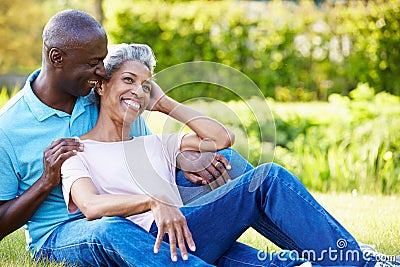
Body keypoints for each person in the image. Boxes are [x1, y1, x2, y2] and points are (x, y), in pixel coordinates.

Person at [60, 43, 399, 267]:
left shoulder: (154, 144)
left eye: (146, 85)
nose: (137, 90)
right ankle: (356, 260)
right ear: (102, 85)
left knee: (267, 180)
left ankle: (353, 260)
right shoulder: (76, 150)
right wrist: (152, 202)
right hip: (143, 244)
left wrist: (164, 103)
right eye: (128, 80)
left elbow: (221, 137)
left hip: (192, 235)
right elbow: (91, 206)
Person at [0, 9, 265, 267]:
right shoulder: (9, 128)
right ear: (57, 58)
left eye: (102, 61)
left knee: (225, 161)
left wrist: (181, 158)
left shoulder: (100, 94)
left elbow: (142, 153)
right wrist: (46, 182)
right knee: (110, 229)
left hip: (128, 214)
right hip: (65, 232)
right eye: (94, 64)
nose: (102, 71)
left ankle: (294, 257)